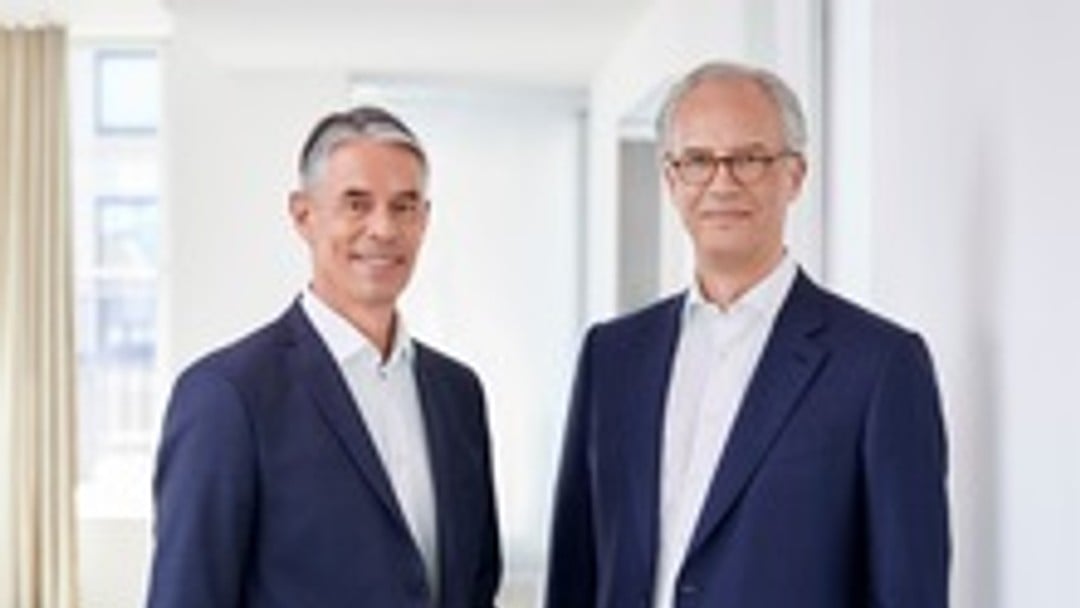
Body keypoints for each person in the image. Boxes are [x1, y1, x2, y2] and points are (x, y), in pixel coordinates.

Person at [544, 61, 949, 608]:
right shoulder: (612, 358)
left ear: (794, 175)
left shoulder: (878, 365)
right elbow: (575, 573)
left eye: (749, 159)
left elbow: (910, 590)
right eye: (698, 160)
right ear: (671, 179)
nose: (722, 182)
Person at [146, 106, 501, 608]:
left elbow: (476, 584)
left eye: (403, 207)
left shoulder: (458, 393)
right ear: (303, 215)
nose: (383, 229)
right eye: (357, 204)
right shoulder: (228, 396)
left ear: (424, 220)